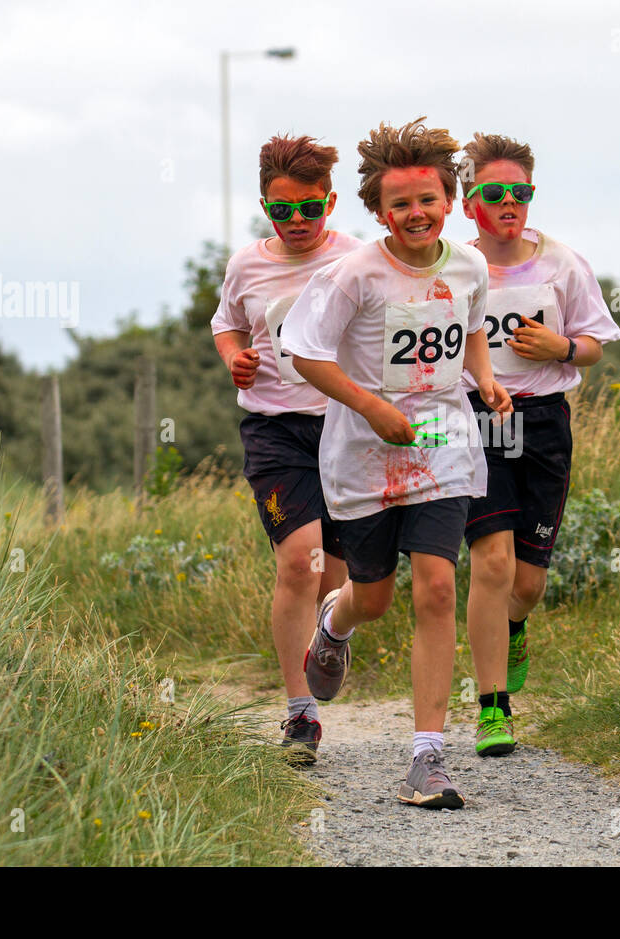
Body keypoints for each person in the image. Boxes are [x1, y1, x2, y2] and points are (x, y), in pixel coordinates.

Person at [282, 117, 512, 808]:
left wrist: (485, 376)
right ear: (381, 213)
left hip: (442, 442)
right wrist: (371, 406)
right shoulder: (354, 275)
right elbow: (305, 352)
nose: (416, 213)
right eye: (401, 204)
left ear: (451, 200)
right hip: (364, 454)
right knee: (374, 597)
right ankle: (336, 621)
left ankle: (428, 758)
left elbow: (471, 326)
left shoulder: (470, 265)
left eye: (428, 200)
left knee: (438, 587)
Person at [457, 132, 620, 756]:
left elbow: (595, 344)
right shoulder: (455, 264)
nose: (509, 203)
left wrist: (563, 349)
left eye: (520, 193)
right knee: (491, 563)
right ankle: (492, 710)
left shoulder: (563, 263)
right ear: (470, 200)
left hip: (546, 422)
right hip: (479, 418)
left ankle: (517, 625)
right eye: (495, 193)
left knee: (525, 583)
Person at [210, 134, 362, 765]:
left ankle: (331, 634)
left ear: (330, 202)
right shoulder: (247, 265)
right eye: (282, 211)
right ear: (264, 209)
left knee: (342, 572)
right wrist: (235, 360)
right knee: (299, 563)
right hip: (276, 429)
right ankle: (301, 714)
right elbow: (228, 323)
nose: (297, 222)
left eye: (309, 208)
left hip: (348, 425)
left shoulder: (359, 260)